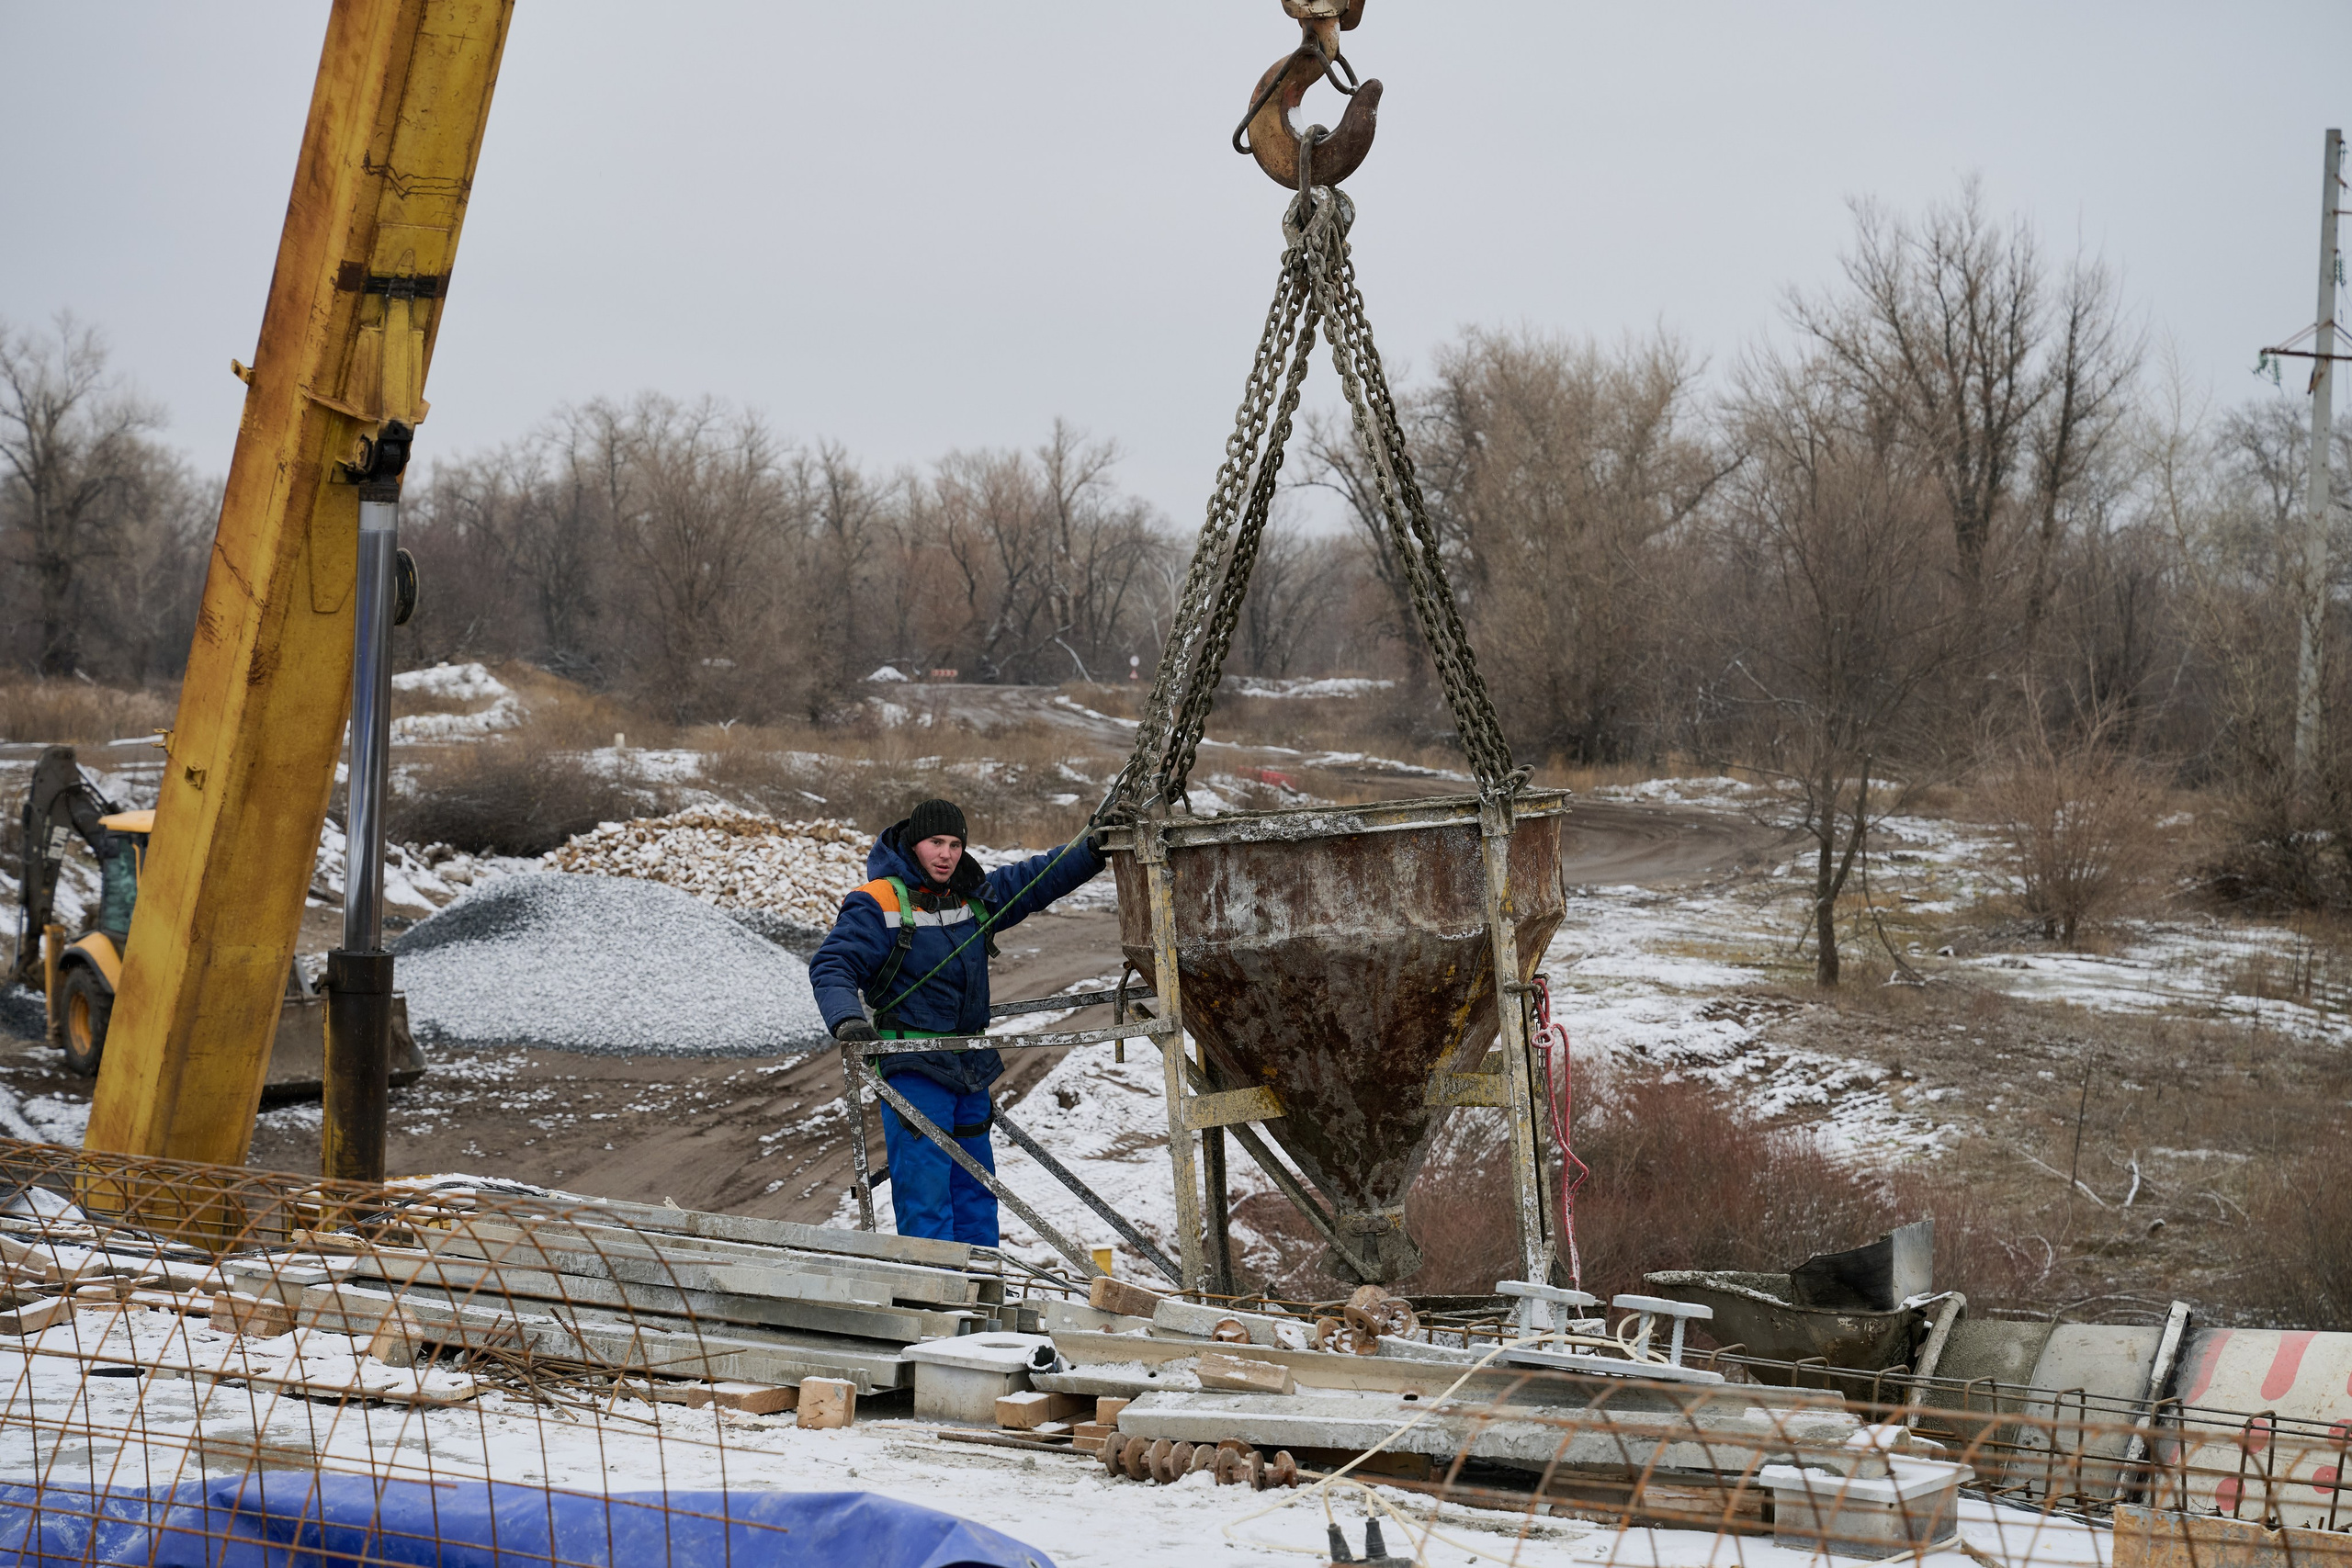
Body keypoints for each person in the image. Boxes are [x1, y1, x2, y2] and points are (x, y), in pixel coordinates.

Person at [808, 797, 1106, 1244]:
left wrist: (1094, 847)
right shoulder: (878, 903)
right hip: (913, 1068)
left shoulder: (973, 895)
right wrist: (848, 1021)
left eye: (954, 844)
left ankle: (981, 1296)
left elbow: (1037, 878)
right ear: (914, 845)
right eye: (935, 843)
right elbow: (832, 965)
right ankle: (935, 1304)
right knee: (926, 1199)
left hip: (968, 1067)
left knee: (977, 1193)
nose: (946, 854)